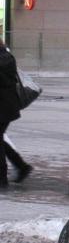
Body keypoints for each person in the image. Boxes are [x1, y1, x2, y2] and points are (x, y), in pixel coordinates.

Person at [0, 40, 33, 189]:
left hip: (4, 107)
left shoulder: (3, 59)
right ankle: (21, 166)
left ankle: (2, 178)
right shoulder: (6, 56)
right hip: (7, 106)